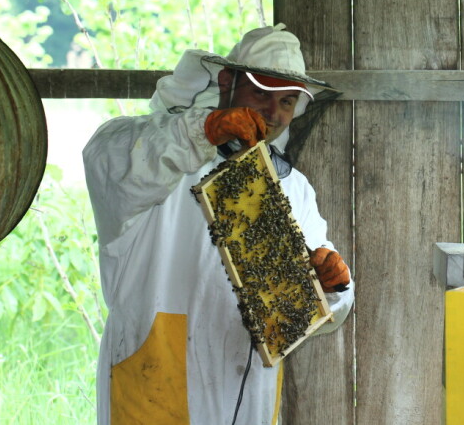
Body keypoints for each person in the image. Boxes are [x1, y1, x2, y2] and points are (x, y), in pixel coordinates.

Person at [83, 24, 354, 425]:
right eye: (261, 93)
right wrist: (200, 133)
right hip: (156, 372)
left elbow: (317, 308)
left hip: (245, 385)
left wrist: (332, 287)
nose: (273, 113)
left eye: (287, 101)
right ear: (228, 82)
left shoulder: (294, 189)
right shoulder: (165, 161)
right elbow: (106, 157)